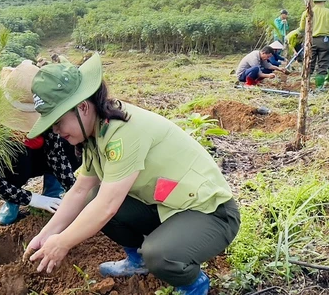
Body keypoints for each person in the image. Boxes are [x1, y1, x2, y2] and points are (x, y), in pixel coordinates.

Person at [22, 53, 240, 295]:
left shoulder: (122, 131)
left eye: (58, 121)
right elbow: (80, 190)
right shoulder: (96, 132)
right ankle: (138, 263)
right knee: (91, 197)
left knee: (159, 254)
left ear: (82, 107)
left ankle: (193, 284)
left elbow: (108, 206)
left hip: (209, 212)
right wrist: (47, 234)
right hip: (167, 205)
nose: (56, 131)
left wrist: (62, 243)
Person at [0, 60, 81, 225]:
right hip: (15, 165)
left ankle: (52, 191)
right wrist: (31, 198)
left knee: (72, 143)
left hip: (39, 154)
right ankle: (13, 200)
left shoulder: (45, 105)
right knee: (14, 156)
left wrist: (76, 193)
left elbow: (56, 154)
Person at [300, 0, 329, 90]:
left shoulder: (306, 12)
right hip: (324, 41)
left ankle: (305, 86)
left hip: (310, 40)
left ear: (314, 0)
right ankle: (319, 87)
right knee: (323, 64)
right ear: (324, 0)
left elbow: (302, 28)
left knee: (309, 63)